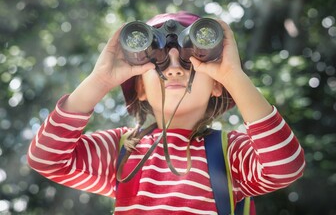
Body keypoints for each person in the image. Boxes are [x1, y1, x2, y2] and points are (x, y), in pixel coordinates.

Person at [27, 11, 305, 215]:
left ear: (217, 86)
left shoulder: (230, 153)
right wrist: (99, 80)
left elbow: (284, 167)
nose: (175, 69)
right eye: (160, 63)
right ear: (140, 88)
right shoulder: (123, 150)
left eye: (189, 62)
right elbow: (46, 159)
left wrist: (234, 75)